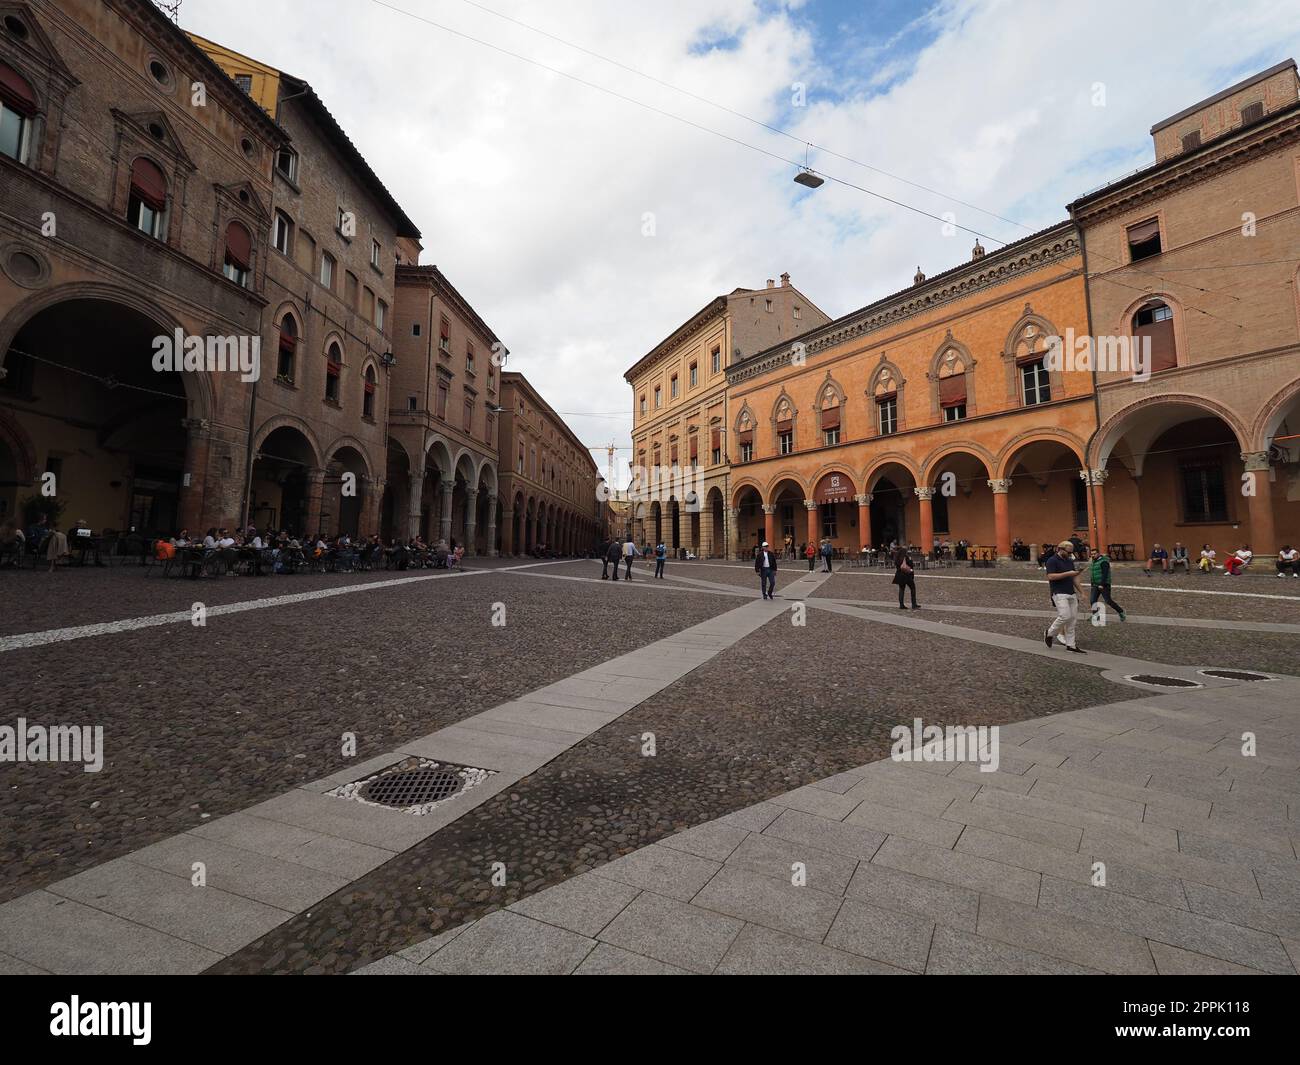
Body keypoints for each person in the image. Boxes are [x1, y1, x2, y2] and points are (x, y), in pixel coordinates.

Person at [1044, 540, 1086, 654]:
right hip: (1058, 592)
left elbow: (1075, 578)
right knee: (1065, 616)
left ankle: (1071, 645)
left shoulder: (1069, 561)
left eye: (1071, 552)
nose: (1070, 554)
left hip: (1071, 592)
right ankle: (1049, 633)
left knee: (1072, 620)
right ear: (1060, 549)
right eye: (1068, 552)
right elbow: (1051, 576)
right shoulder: (1051, 561)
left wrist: (1082, 592)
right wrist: (1068, 573)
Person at [1088, 549, 1126, 622]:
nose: (1093, 555)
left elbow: (1105, 574)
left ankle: (1121, 612)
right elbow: (1093, 573)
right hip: (1095, 585)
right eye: (1092, 554)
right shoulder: (1094, 561)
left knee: (1108, 600)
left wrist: (1102, 584)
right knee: (1092, 600)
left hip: (1104, 585)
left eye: (1094, 554)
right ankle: (1095, 615)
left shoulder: (1104, 562)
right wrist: (1092, 583)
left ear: (1098, 554)